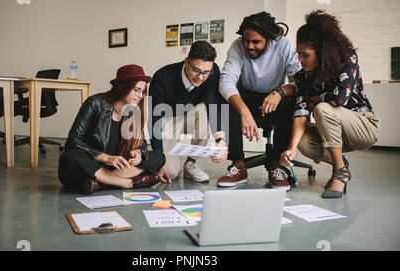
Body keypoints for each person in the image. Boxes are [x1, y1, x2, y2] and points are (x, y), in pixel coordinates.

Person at [280, 10, 380, 198]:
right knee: (302, 140)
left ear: (322, 52)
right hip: (334, 132)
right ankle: (339, 161)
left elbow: (340, 99)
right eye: (298, 54)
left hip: (364, 125)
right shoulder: (304, 77)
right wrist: (291, 148)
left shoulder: (347, 61)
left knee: (322, 109)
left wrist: (317, 99)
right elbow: (301, 111)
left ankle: (340, 173)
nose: (300, 60)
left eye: (305, 55)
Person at [217, 11, 302, 190]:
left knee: (290, 101)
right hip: (247, 96)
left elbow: (300, 82)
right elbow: (226, 80)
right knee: (227, 99)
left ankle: (275, 165)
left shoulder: (284, 46)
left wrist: (280, 91)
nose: (249, 46)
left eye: (256, 42)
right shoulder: (237, 46)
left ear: (270, 39)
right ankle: (238, 165)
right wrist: (243, 110)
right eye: (246, 40)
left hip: (275, 97)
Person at [58, 64, 166, 194]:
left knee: (159, 156)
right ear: (122, 87)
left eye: (142, 92)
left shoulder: (134, 112)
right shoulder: (95, 103)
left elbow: (141, 144)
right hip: (91, 165)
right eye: (136, 90)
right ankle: (125, 183)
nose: (140, 96)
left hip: (114, 168)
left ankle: (100, 184)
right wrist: (105, 157)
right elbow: (73, 142)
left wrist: (138, 153)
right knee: (71, 155)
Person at [149, 41, 227, 183]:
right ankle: (166, 160)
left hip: (191, 116)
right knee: (170, 173)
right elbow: (155, 120)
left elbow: (213, 104)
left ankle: (191, 163)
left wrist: (220, 140)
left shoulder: (213, 71)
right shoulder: (162, 76)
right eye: (196, 70)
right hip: (168, 123)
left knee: (204, 108)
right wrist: (159, 159)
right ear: (186, 61)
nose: (200, 77)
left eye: (206, 72)